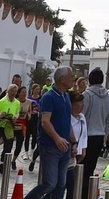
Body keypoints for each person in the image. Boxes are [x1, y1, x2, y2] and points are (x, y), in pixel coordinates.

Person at [27, 67, 77, 199]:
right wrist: (57, 138)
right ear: (62, 79)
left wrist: (74, 142)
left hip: (65, 147)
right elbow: (45, 121)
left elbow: (67, 122)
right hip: (50, 146)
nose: (73, 79)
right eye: (71, 76)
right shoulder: (49, 97)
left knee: (60, 185)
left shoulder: (66, 96)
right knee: (50, 183)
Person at [81, 69, 109, 187]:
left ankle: (78, 192)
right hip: (99, 135)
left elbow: (81, 115)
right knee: (91, 168)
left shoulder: (86, 95)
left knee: (80, 168)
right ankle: (87, 193)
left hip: (86, 136)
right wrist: (105, 134)